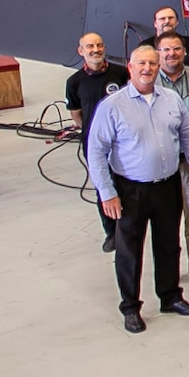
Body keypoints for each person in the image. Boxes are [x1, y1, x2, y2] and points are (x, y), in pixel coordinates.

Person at [86, 45, 189, 333]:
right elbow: (96, 152)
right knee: (130, 250)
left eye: (152, 64)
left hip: (167, 185)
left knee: (168, 244)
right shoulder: (112, 106)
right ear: (130, 67)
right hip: (130, 190)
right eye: (141, 64)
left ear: (158, 67)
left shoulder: (171, 99)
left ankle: (170, 297)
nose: (147, 69)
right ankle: (130, 307)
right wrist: (107, 193)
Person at [67, 31, 130, 251]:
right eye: (90, 47)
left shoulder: (121, 73)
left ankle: (128, 227)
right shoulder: (74, 82)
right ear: (81, 51)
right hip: (94, 144)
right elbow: (77, 115)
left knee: (126, 183)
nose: (96, 50)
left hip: (123, 140)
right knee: (103, 185)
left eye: (99, 45)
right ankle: (111, 233)